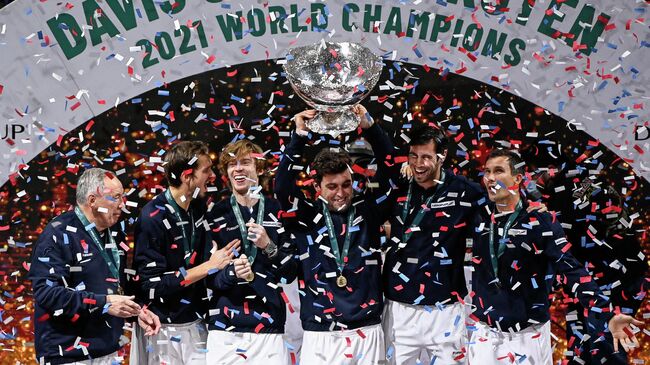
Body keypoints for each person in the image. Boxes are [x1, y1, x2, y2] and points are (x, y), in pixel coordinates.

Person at [468, 149, 642, 364]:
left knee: (604, 345)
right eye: (488, 172)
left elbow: (596, 221)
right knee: (579, 343)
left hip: (616, 272)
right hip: (577, 275)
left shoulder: (582, 183)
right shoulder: (492, 213)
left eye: (537, 174)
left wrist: (551, 217)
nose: (534, 182)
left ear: (552, 170)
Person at [274, 106, 394, 365]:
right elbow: (282, 187)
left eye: (346, 184)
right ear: (316, 187)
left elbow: (390, 171)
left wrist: (370, 128)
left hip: (367, 331)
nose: (341, 193)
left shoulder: (367, 210)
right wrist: (298, 137)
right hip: (321, 335)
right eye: (331, 187)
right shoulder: (304, 216)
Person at [30, 168, 160, 365]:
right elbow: (47, 294)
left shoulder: (115, 232)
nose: (122, 205)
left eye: (122, 197)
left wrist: (136, 311)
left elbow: (116, 286)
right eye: (115, 197)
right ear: (92, 200)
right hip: (68, 356)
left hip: (108, 351)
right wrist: (105, 303)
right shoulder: (57, 235)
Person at [382, 123, 485, 364]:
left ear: (442, 156)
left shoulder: (466, 192)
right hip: (400, 309)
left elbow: (500, 204)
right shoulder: (398, 187)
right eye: (413, 156)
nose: (418, 164)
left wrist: (531, 205)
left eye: (426, 157)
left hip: (446, 311)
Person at [132, 141, 238, 364]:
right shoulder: (152, 217)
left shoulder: (197, 207)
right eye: (206, 170)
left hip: (196, 322)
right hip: (163, 330)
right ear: (187, 176)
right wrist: (209, 266)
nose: (212, 176)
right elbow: (152, 286)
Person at [204, 139, 297, 364]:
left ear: (260, 168)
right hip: (225, 329)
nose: (238, 169)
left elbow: (291, 273)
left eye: (245, 162)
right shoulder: (215, 214)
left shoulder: (279, 211)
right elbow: (207, 279)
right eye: (232, 164)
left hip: (269, 326)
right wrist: (230, 273)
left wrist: (268, 246)